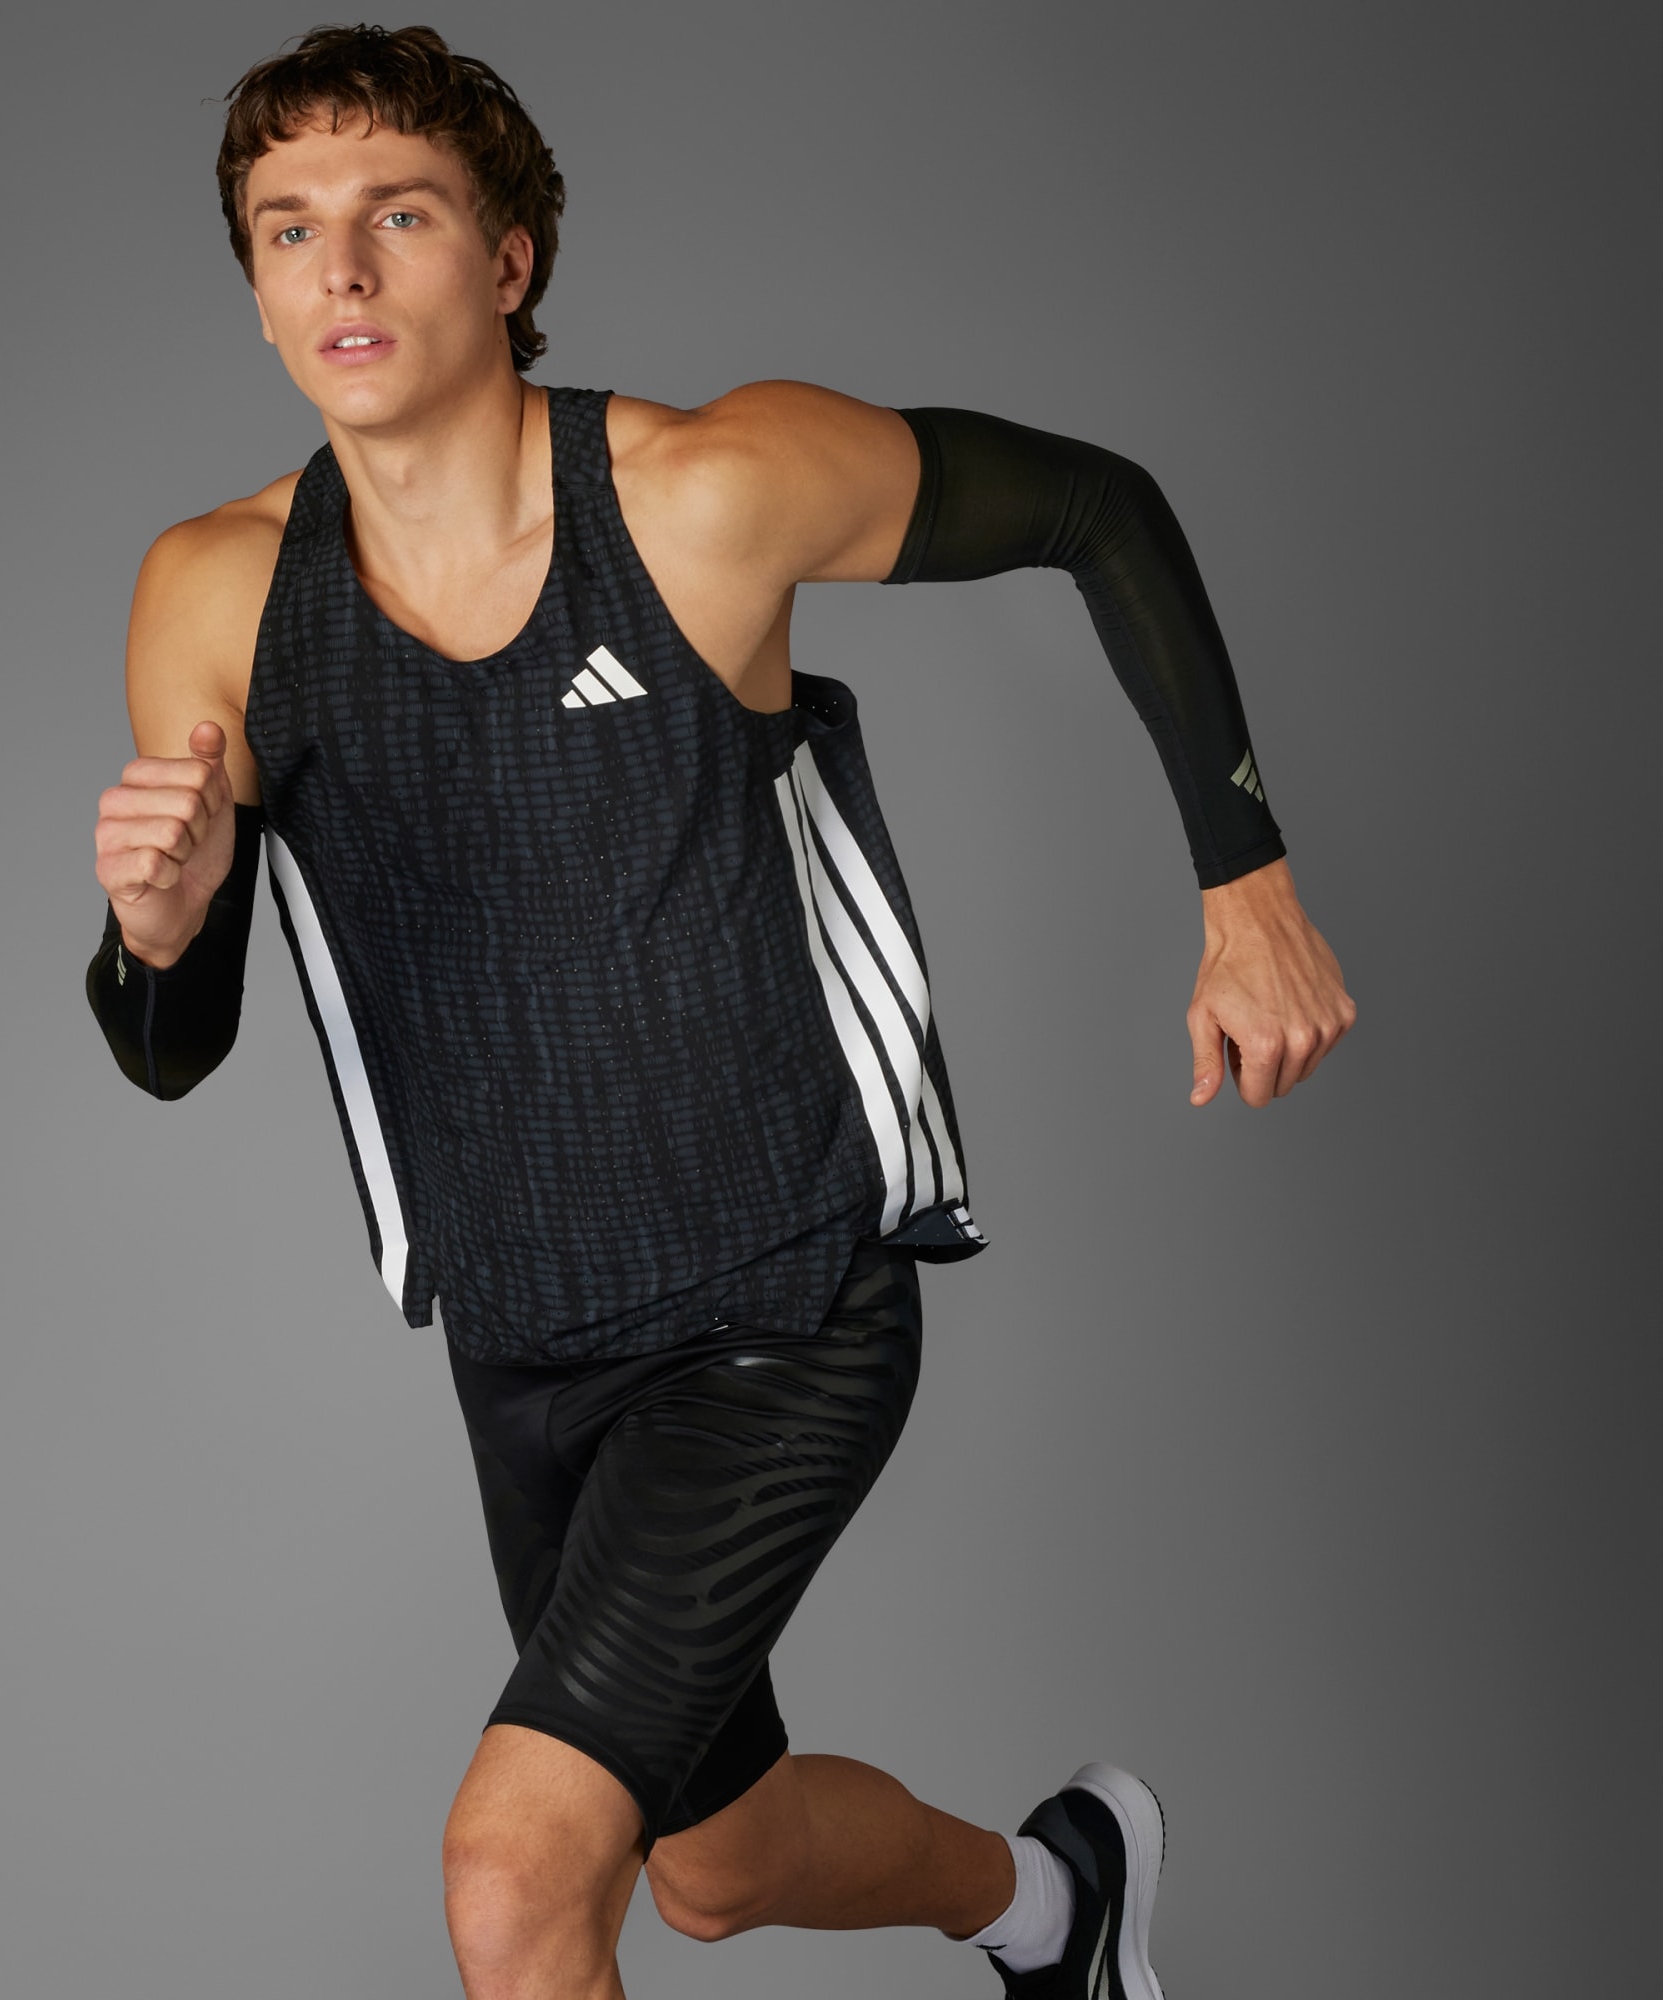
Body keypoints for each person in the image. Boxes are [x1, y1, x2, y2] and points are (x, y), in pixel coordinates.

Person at [84, 24, 1355, 1999]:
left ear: (507, 257)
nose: (338, 267)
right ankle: (1060, 1904)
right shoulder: (216, 594)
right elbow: (173, 1044)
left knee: (513, 1879)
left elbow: (1095, 509)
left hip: (780, 1307)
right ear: (255, 288)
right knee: (715, 1864)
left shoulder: (700, 495)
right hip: (525, 1347)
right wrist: (156, 933)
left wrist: (1246, 884)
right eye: (288, 228)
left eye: (397, 215)